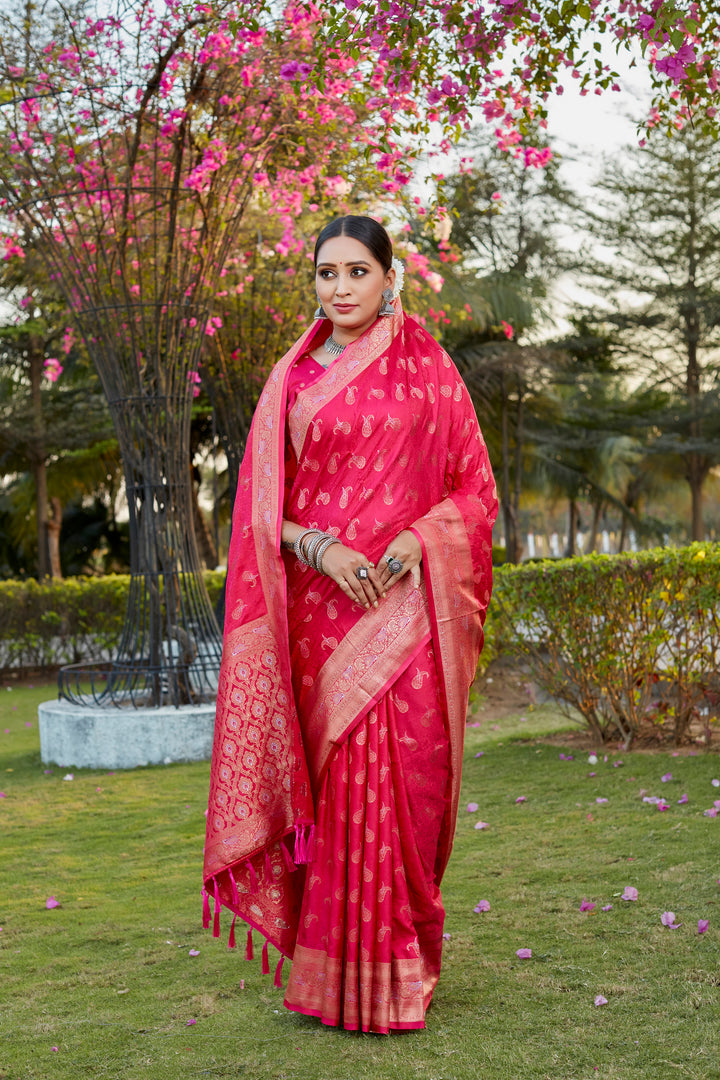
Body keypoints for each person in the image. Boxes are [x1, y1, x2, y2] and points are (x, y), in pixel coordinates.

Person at [204, 215, 498, 1034]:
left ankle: (399, 969)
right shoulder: (292, 381)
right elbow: (263, 511)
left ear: (387, 276)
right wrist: (324, 550)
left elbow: (475, 492)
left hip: (408, 608)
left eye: (356, 272)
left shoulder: (429, 369)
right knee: (336, 794)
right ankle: (334, 980)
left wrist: (415, 540)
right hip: (322, 615)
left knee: (407, 783)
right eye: (326, 274)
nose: (339, 289)